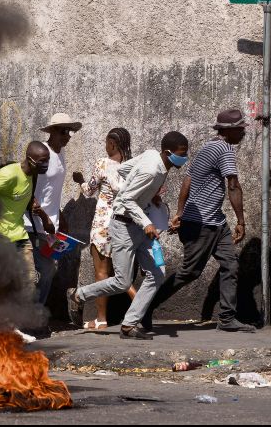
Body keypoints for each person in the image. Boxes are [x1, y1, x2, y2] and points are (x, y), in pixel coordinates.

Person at [67, 131, 190, 340]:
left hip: (138, 226)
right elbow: (126, 201)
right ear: (168, 153)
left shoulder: (153, 156)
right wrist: (147, 222)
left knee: (157, 274)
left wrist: (149, 197)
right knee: (122, 282)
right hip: (124, 226)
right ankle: (77, 295)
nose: (184, 158)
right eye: (181, 154)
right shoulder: (151, 171)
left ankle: (129, 324)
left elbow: (124, 170)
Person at [142, 109, 255, 333]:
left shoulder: (208, 147)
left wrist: (180, 212)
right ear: (228, 130)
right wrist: (241, 221)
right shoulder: (224, 150)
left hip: (215, 222)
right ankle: (143, 309)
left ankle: (227, 318)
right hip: (201, 224)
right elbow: (233, 185)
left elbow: (188, 180)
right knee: (189, 272)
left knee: (231, 265)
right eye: (240, 128)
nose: (243, 132)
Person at [0, 141, 51, 343]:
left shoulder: (34, 175)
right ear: (30, 159)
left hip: (20, 235)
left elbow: (22, 197)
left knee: (29, 282)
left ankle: (11, 326)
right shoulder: (9, 174)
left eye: (47, 160)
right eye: (42, 161)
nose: (46, 164)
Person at [72, 128, 137, 329]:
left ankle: (101, 319)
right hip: (124, 225)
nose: (105, 146)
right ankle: (142, 311)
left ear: (113, 144)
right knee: (122, 275)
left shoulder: (103, 164)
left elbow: (90, 190)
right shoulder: (133, 167)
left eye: (106, 142)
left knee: (101, 273)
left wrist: (80, 180)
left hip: (103, 225)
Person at [23, 113, 82, 306]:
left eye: (70, 132)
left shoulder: (60, 154)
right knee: (43, 270)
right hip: (34, 223)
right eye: (64, 131)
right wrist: (41, 214)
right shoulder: (41, 153)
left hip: (50, 225)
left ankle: (33, 316)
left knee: (47, 270)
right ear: (53, 132)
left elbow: (51, 191)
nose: (68, 136)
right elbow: (27, 186)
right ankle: (32, 317)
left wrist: (60, 217)